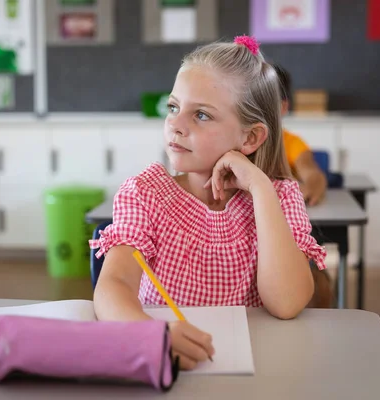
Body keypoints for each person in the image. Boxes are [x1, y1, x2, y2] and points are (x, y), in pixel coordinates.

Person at [90, 36, 327, 371]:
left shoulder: (280, 198)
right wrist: (150, 334)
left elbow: (287, 303)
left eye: (201, 114)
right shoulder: (146, 194)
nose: (175, 124)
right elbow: (111, 287)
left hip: (257, 369)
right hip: (167, 361)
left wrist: (260, 188)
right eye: (173, 107)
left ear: (250, 138)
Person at [272, 64, 328, 206]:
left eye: (267, 102)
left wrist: (311, 187)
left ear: (283, 107)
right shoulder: (234, 141)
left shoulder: (291, 143)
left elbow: (312, 174)